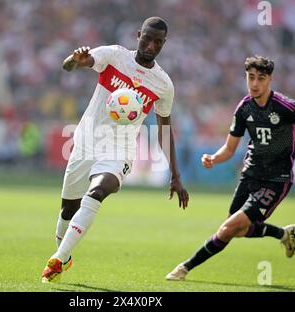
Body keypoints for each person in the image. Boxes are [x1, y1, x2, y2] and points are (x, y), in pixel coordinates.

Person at [42, 17, 190, 283]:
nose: (151, 45)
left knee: (99, 190)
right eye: (147, 38)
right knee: (68, 210)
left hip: (119, 149)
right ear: (138, 35)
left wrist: (176, 175)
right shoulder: (113, 55)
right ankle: (63, 256)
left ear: (164, 44)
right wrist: (75, 59)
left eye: (158, 42)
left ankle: (56, 260)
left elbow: (164, 129)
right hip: (87, 141)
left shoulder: (163, 84)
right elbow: (70, 66)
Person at [166, 55, 295, 281]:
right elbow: (229, 149)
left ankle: (184, 268)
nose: (255, 83)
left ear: (270, 79)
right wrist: (213, 158)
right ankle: (283, 233)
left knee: (228, 229)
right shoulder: (244, 108)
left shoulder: (285, 107)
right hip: (250, 175)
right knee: (237, 230)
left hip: (276, 180)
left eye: (261, 78)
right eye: (251, 78)